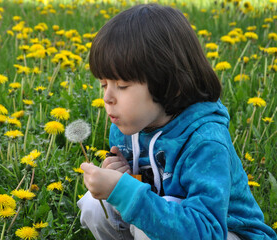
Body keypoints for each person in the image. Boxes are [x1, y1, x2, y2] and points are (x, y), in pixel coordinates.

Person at [77, 3, 277, 240]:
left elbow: (208, 232)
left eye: (122, 86)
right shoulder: (125, 128)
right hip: (170, 218)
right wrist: (125, 178)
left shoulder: (205, 141)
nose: (107, 98)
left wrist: (125, 192)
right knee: (95, 205)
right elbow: (149, 189)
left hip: (224, 232)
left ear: (169, 82)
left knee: (148, 228)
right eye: (103, 84)